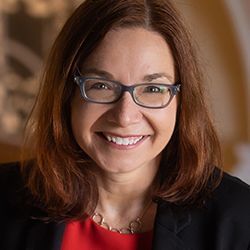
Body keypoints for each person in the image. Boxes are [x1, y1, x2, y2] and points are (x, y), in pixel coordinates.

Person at [0, 0, 250, 249]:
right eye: (101, 85)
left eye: (153, 89)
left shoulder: (240, 219)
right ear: (66, 93)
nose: (124, 116)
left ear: (182, 101)